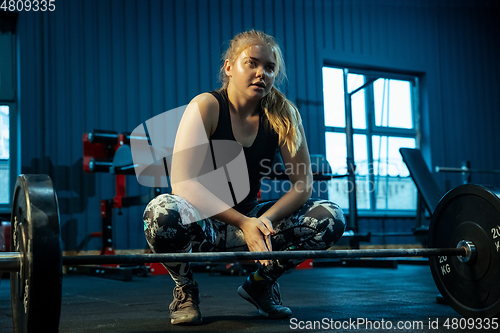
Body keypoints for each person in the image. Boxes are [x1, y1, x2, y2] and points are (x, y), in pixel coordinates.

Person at [143, 30, 346, 325]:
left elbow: (303, 186)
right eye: (251, 63)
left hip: (252, 220)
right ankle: (185, 289)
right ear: (228, 67)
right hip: (204, 223)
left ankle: (261, 283)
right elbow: (183, 184)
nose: (261, 73)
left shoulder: (284, 115)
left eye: (270, 67)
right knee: (160, 213)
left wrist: (262, 221)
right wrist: (244, 224)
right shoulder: (207, 106)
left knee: (330, 217)